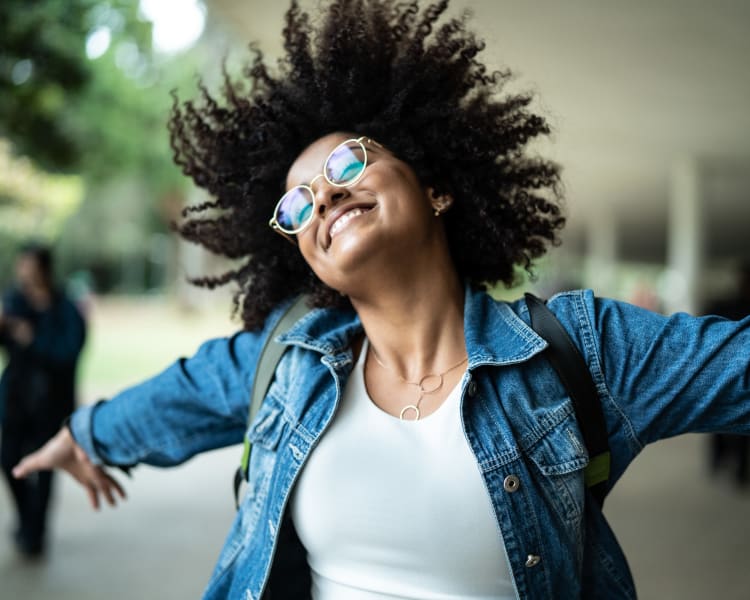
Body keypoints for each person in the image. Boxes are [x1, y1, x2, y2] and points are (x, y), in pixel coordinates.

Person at [11, 1, 750, 598]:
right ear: (306, 258)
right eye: (296, 204)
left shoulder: (584, 351)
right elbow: (190, 391)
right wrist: (87, 437)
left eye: (346, 161)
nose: (323, 194)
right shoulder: (293, 357)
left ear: (436, 188)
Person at [0, 243, 86, 556]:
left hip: (51, 403)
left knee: (47, 467)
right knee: (9, 460)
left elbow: (69, 351)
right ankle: (27, 521)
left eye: (30, 266)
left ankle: (36, 532)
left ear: (44, 269)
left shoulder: (66, 308)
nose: (25, 272)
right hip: (16, 401)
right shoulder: (13, 302)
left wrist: (33, 339)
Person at [705, 263, 750, 487]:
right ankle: (723, 463)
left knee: (731, 424)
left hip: (734, 375)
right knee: (721, 422)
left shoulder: (727, 305)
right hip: (726, 374)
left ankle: (736, 468)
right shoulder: (727, 304)